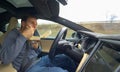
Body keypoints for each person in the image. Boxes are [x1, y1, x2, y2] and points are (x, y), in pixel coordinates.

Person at [0, 15, 77, 72]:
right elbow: (6, 59)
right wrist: (23, 37)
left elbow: (38, 52)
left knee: (66, 58)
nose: (34, 26)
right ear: (23, 23)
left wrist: (36, 47)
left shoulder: (34, 33)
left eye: (36, 24)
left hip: (39, 60)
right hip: (28, 68)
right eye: (32, 23)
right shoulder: (12, 35)